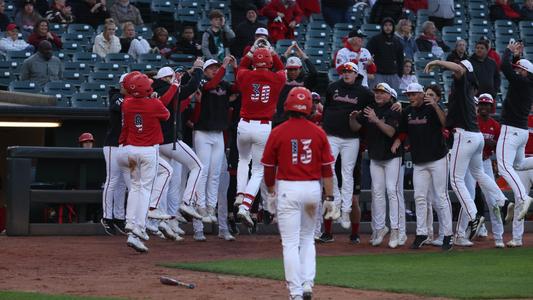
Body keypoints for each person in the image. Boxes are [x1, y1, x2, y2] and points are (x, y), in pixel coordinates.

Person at [262, 86, 337, 300]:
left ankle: (295, 293)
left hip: (288, 188)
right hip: (313, 189)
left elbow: (268, 168)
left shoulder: (278, 131)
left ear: (288, 105)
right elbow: (327, 169)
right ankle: (307, 284)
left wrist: (270, 193)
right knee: (307, 240)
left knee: (290, 243)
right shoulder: (318, 131)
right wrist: (330, 197)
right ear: (308, 107)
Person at [424, 58, 507, 241]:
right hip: (476, 136)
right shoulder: (466, 91)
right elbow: (446, 122)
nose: (455, 72)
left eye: (459, 69)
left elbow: (460, 70)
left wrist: (438, 61)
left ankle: (474, 216)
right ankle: (503, 200)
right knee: (479, 173)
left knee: (456, 180)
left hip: (465, 136)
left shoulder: (463, 82)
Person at [392, 82, 453, 250]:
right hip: (419, 161)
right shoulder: (408, 112)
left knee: (441, 196)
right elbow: (403, 131)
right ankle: (421, 233)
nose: (410, 97)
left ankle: (448, 235)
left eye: (413, 94)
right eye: (408, 95)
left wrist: (435, 105)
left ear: (421, 94)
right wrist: (398, 141)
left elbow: (445, 123)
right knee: (419, 197)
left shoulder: (432, 108)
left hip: (438, 158)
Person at [151, 60, 207, 241]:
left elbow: (188, 87)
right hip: (169, 140)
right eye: (168, 77)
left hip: (159, 142)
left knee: (166, 181)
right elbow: (189, 88)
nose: (172, 79)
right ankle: (187, 202)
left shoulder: (163, 89)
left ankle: (158, 219)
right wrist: (198, 69)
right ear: (162, 78)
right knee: (198, 166)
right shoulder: (165, 89)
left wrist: (192, 72)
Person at [234, 44, 286, 227]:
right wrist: (272, 51)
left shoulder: (246, 75)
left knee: (242, 160)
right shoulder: (276, 77)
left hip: (244, 124)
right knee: (258, 170)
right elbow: (281, 68)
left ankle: (240, 195)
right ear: (269, 62)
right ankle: (245, 206)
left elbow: (241, 66)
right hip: (263, 127)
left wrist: (250, 52)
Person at [119, 71, 170, 253]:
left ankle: (130, 223)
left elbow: (136, 97)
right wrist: (153, 98)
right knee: (146, 189)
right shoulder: (154, 103)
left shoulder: (126, 103)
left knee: (135, 187)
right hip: (148, 151)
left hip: (132, 151)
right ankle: (139, 226)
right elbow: (166, 115)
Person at [349, 82, 403, 248]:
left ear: (389, 95)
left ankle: (395, 230)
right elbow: (356, 127)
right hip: (375, 156)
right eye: (377, 92)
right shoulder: (369, 108)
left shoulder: (393, 109)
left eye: (382, 92)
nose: (378, 95)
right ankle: (380, 229)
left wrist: (375, 119)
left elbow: (391, 132)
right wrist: (352, 118)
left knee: (392, 192)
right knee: (377, 193)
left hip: (392, 156)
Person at [322, 62, 373, 234]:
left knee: (347, 172)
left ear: (356, 74)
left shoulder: (364, 92)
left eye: (350, 71)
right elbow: (327, 107)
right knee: (328, 168)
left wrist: (395, 104)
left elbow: (377, 104)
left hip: (351, 138)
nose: (346, 74)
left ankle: (346, 211)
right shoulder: (333, 87)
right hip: (332, 136)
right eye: (344, 71)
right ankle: (336, 204)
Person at [192, 57, 239, 241]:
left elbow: (239, 88)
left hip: (219, 133)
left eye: (216, 67)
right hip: (202, 132)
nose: (214, 70)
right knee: (202, 172)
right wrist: (225, 66)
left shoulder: (225, 85)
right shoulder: (204, 82)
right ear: (204, 70)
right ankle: (199, 221)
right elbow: (211, 84)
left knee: (215, 175)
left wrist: (235, 68)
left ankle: (211, 209)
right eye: (211, 67)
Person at [455, 93, 505, 248]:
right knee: (468, 195)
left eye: (487, 104)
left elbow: (500, 146)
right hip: (469, 164)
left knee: (492, 200)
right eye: (481, 104)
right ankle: (461, 234)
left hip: (486, 162)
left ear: (491, 107)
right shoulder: (471, 121)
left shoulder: (495, 125)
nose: (484, 107)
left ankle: (498, 237)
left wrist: (492, 143)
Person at [496, 40, 533, 222]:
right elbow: (517, 70)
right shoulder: (527, 82)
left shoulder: (522, 81)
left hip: (510, 130)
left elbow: (504, 66)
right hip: (522, 132)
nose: (517, 70)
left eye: (519, 69)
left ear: (525, 72)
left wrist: (508, 51)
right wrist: (518, 56)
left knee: (504, 167)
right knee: (518, 165)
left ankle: (523, 197)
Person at [100, 73, 129, 237]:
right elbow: (124, 106)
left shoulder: (133, 99)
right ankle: (106, 216)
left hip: (126, 145)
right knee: (112, 180)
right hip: (112, 145)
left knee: (123, 183)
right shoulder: (116, 96)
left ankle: (119, 217)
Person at [273, 42, 318, 126]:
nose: (292, 72)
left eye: (295, 69)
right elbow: (274, 72)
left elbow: (314, 73)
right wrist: (285, 55)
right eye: (290, 69)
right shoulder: (281, 79)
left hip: (300, 120)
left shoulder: (305, 82)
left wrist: (303, 56)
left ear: (300, 69)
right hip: (281, 119)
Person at [366, 17, 404, 92]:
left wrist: (399, 74)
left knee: (392, 99)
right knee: (375, 97)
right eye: (385, 25)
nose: (388, 27)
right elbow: (367, 55)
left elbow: (401, 59)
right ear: (382, 27)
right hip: (377, 75)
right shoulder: (375, 39)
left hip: (393, 75)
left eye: (390, 25)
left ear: (393, 27)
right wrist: (370, 72)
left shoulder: (397, 41)